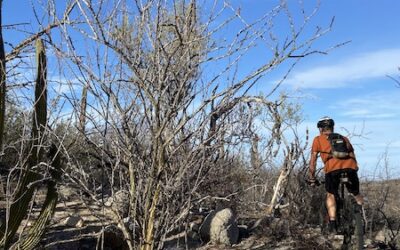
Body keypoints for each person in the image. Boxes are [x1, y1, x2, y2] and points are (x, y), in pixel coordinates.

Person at [309, 116, 363, 234]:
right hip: (350, 167)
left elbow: (313, 161)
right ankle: (360, 219)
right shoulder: (343, 138)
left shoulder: (318, 139)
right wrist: (355, 168)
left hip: (332, 169)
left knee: (331, 194)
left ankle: (332, 223)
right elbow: (352, 154)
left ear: (320, 129)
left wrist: (312, 177)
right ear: (332, 127)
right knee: (356, 193)